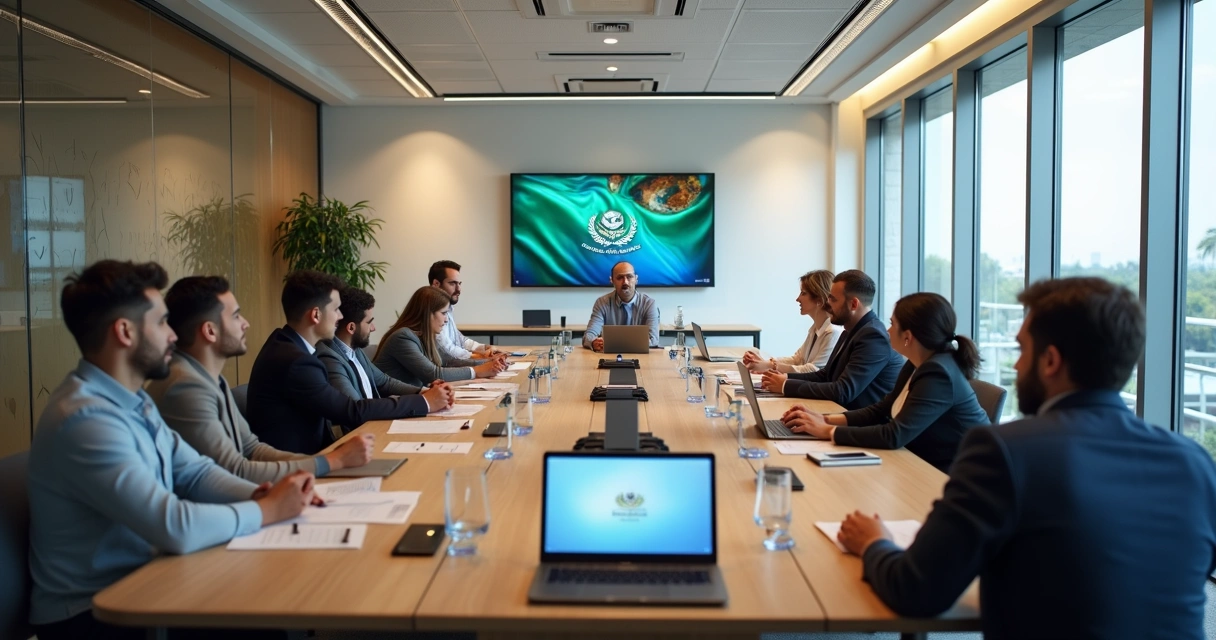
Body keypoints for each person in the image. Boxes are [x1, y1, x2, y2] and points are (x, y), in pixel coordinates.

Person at [836, 278, 1216, 639]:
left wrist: (873, 542)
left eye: (1021, 350)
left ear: (1050, 361)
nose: (1015, 367)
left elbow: (916, 590)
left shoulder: (1004, 451)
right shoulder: (1195, 463)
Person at [28, 260, 314, 640]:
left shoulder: (134, 401)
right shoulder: (85, 420)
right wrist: (265, 509)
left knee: (271, 604)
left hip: (150, 579)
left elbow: (195, 472)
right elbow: (173, 525)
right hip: (96, 613)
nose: (174, 336)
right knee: (262, 620)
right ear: (125, 332)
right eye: (162, 323)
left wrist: (263, 493)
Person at [147, 276, 378, 483]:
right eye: (236, 316)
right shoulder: (186, 385)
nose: (245, 323)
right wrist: (330, 463)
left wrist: (324, 462)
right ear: (210, 331)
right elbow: (234, 470)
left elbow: (252, 449)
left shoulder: (208, 377)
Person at [780, 292, 988, 473]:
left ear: (908, 336)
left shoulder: (939, 374)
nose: (887, 331)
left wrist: (827, 432)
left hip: (954, 473)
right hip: (917, 461)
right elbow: (881, 410)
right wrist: (825, 419)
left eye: (893, 324)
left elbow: (893, 435)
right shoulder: (917, 363)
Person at [246, 271, 430, 455]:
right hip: (300, 468)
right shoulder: (297, 362)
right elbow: (352, 411)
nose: (341, 317)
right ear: (316, 315)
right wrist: (424, 401)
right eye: (336, 310)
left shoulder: (286, 345)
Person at [761, 270, 903, 410]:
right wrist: (785, 377)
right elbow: (825, 375)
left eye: (833, 299)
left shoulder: (873, 337)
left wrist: (786, 385)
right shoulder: (851, 330)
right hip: (842, 413)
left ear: (854, 304)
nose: (827, 304)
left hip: (862, 424)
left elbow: (843, 391)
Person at [315, 286, 454, 423]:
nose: (374, 328)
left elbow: (384, 382)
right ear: (351, 327)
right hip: (358, 435)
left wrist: (424, 391)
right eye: (369, 322)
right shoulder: (329, 358)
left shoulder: (355, 350)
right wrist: (424, 401)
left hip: (373, 426)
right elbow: (356, 409)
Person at [374, 286, 507, 387]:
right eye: (443, 313)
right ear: (428, 314)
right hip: (389, 409)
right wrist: (477, 371)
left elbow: (449, 361)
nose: (446, 320)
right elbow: (434, 375)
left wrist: (490, 363)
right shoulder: (402, 338)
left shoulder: (425, 336)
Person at [743, 270, 840, 374]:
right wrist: (762, 362)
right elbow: (797, 359)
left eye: (803, 293)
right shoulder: (815, 329)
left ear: (819, 300)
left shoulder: (832, 332)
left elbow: (813, 370)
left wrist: (770, 365)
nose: (798, 299)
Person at [428, 259, 503, 361]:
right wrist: (482, 356)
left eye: (459, 283)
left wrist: (484, 348)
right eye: (452, 283)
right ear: (436, 283)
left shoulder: (448, 308)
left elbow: (459, 340)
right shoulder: (431, 312)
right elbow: (447, 351)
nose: (459, 289)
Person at [582, 261, 660, 351]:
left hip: (641, 357)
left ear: (636, 279)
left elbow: (653, 340)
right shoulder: (602, 303)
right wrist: (593, 342)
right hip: (609, 359)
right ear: (612, 280)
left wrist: (617, 344)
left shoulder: (649, 304)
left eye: (629, 277)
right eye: (620, 278)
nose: (625, 282)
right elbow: (589, 336)